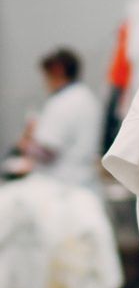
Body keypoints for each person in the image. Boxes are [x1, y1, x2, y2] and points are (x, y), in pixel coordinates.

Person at [17, 48, 101, 191]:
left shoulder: (63, 102)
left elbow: (48, 151)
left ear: (57, 70)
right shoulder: (86, 97)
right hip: (82, 183)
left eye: (46, 75)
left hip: (62, 186)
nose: (44, 82)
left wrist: (27, 143)